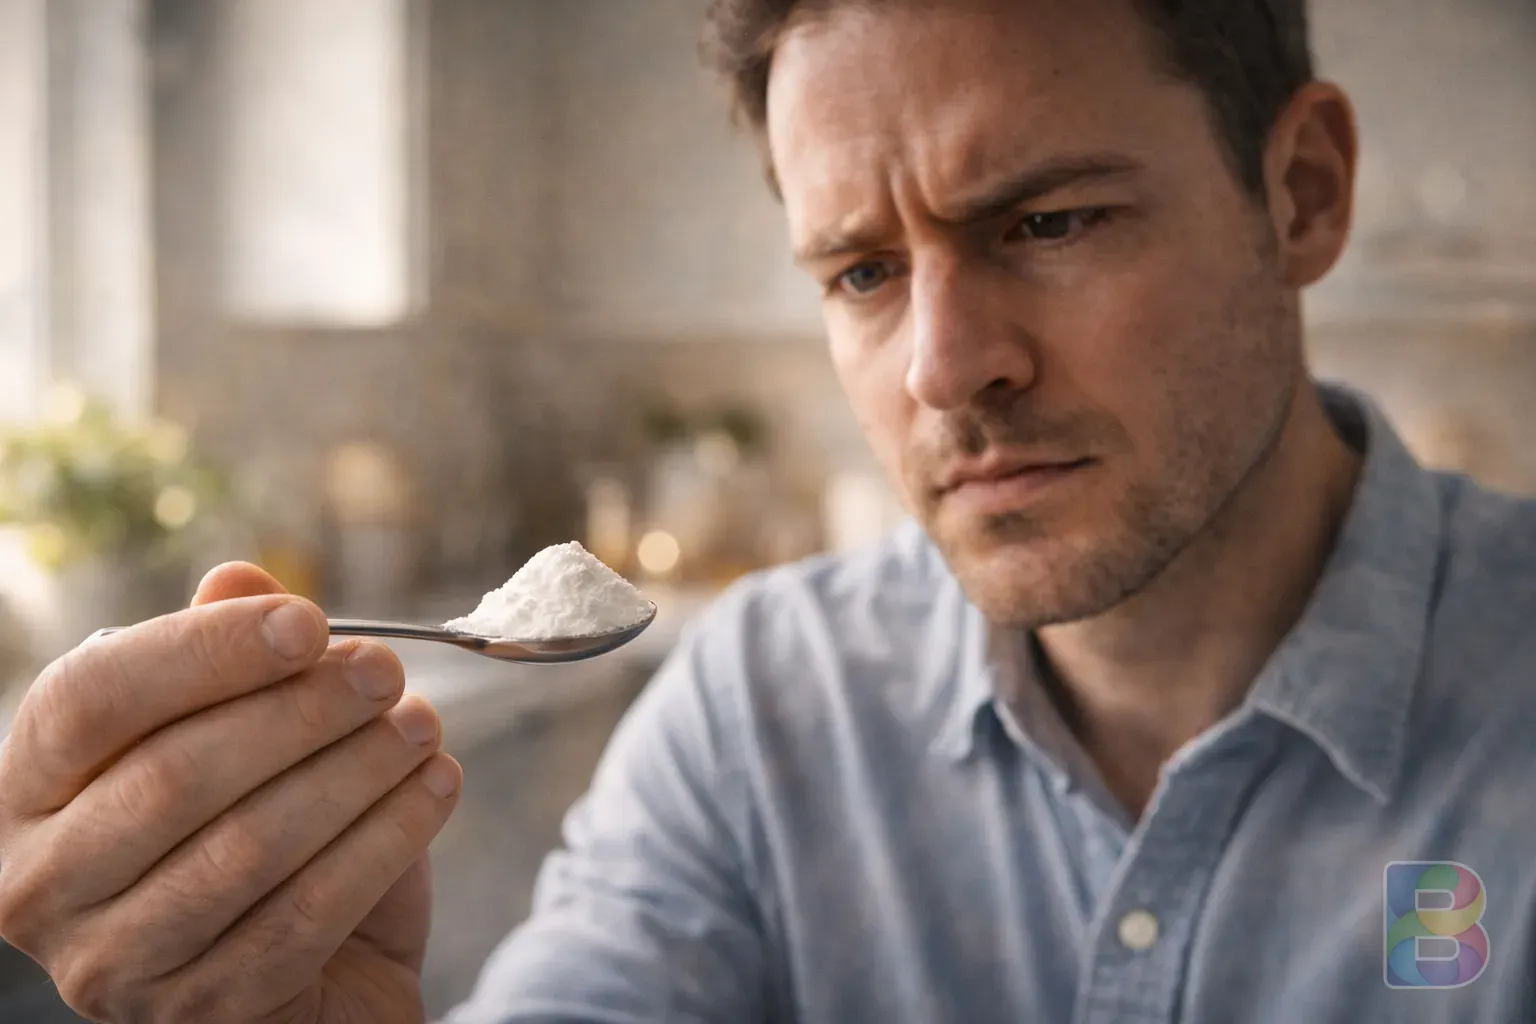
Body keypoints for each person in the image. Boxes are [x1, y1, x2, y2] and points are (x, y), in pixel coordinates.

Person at [1, 0, 1533, 1020]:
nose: (945, 370)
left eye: (1051, 220)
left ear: (1302, 192)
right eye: (863, 271)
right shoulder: (763, 704)